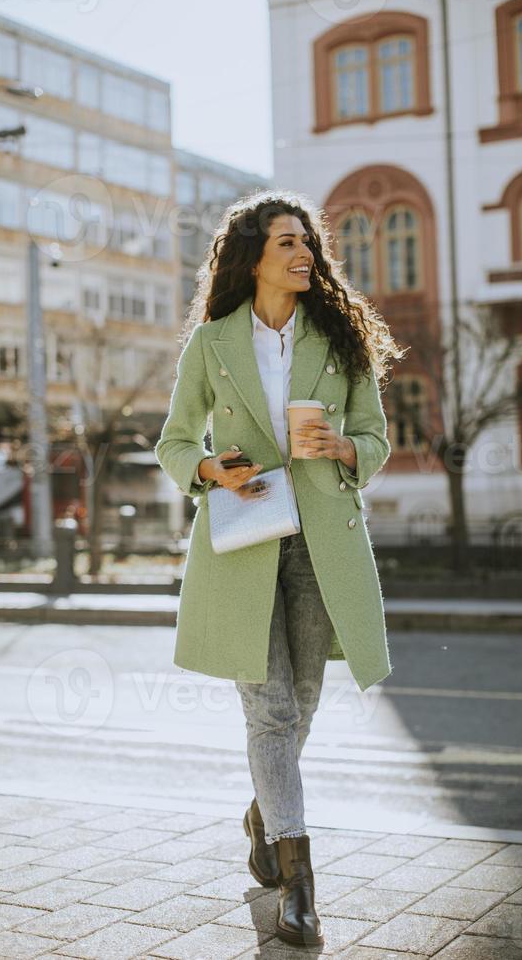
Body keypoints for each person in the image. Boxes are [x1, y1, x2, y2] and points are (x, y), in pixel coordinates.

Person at [155, 189, 404, 946]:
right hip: (244, 541)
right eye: (288, 244)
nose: (305, 255)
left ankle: (267, 812)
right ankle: (300, 884)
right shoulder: (212, 344)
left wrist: (345, 449)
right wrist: (209, 470)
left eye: (309, 244)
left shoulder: (339, 336)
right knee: (270, 712)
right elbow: (172, 442)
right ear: (253, 257)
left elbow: (376, 436)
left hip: (321, 541)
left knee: (303, 699)